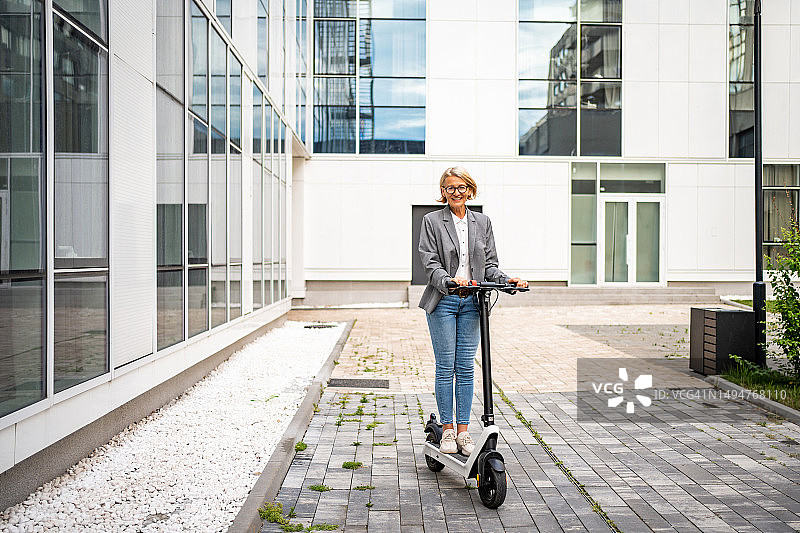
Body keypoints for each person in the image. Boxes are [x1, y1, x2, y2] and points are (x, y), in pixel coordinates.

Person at [418, 166, 527, 456]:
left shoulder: (483, 222)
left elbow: (489, 263)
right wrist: (449, 280)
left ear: (470, 190)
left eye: (461, 187)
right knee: (446, 366)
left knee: (466, 367)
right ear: (442, 192)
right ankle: (448, 430)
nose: (456, 192)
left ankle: (464, 433)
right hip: (443, 300)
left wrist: (507, 280)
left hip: (473, 302)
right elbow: (429, 263)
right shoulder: (432, 221)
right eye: (450, 188)